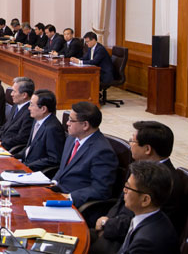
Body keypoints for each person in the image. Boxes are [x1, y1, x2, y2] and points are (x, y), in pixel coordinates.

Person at [91, 121, 188, 254]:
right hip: (116, 229)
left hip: (125, 239)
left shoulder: (166, 183)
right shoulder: (139, 169)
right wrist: (106, 221)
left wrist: (107, 225)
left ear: (147, 149)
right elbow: (120, 203)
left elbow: (147, 220)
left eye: (132, 141)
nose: (130, 145)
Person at [51, 101, 118, 213]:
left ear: (85, 125)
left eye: (71, 120)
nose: (67, 123)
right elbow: (63, 169)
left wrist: (69, 197)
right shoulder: (72, 138)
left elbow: (101, 189)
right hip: (57, 194)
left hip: (76, 204)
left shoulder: (102, 151)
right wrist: (52, 183)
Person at [116, 161, 179, 254]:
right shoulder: (151, 217)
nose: (124, 190)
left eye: (128, 187)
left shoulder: (146, 243)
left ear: (145, 200)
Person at [14, 89, 65, 172]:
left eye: (32, 105)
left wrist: (28, 166)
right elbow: (30, 147)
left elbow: (54, 159)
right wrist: (14, 157)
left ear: (43, 109)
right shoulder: (37, 120)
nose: (29, 108)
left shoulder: (53, 128)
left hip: (37, 171)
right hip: (26, 165)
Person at [0, 77, 34, 151]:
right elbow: (6, 125)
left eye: (14, 91)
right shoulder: (16, 105)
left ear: (24, 95)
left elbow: (22, 138)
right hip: (1, 142)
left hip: (10, 149)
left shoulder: (30, 113)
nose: (11, 94)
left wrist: (2, 143)